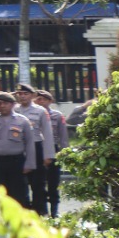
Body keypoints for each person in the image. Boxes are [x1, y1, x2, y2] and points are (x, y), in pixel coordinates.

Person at [11, 84, 53, 212]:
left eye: (26, 94)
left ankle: (39, 212)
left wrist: (48, 155)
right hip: (18, 149)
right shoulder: (14, 110)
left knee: (37, 183)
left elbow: (47, 133)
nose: (22, 96)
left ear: (33, 95)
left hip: (36, 147)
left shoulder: (40, 111)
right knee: (18, 183)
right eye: (20, 94)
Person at [0, 90, 37, 208]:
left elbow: (29, 143)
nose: (1, 106)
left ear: (13, 104)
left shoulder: (22, 121)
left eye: (5, 103)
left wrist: (30, 163)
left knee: (19, 193)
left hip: (16, 162)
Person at [33, 90, 68, 218]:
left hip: (53, 150)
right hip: (37, 149)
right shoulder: (32, 114)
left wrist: (65, 153)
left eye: (43, 99)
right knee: (38, 183)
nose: (40, 102)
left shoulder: (57, 116)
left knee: (53, 183)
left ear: (50, 101)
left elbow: (63, 137)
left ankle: (54, 210)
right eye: (37, 99)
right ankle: (42, 210)